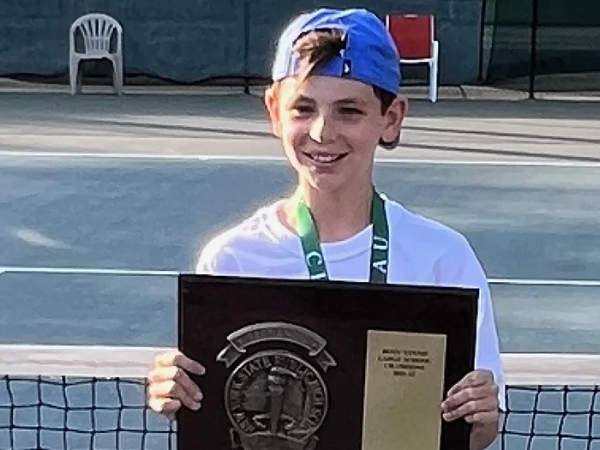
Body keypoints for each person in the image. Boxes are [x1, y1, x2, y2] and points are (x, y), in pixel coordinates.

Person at [147, 7, 505, 450]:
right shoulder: (232, 257)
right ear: (274, 111)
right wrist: (178, 392)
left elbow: (477, 430)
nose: (321, 132)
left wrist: (479, 412)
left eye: (348, 111)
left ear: (391, 117)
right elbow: (218, 416)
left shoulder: (443, 257)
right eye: (303, 108)